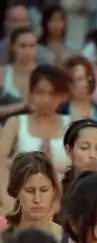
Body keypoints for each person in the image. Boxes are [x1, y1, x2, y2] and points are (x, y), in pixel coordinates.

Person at [0, 64, 71, 209]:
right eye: (40, 92)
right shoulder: (16, 123)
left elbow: (81, 168)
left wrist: (50, 165)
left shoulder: (71, 124)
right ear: (31, 93)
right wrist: (11, 204)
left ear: (62, 96)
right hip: (21, 200)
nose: (46, 99)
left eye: (52, 94)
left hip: (64, 201)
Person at [4, 151, 61, 241]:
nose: (37, 199)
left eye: (44, 190)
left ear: (54, 190)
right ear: (16, 191)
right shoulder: (3, 237)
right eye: (30, 191)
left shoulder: (66, 240)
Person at [0, 26, 37, 121]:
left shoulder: (43, 74)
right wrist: (22, 105)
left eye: (32, 46)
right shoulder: (2, 73)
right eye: (23, 46)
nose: (28, 51)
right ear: (13, 47)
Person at [59, 55, 97, 122]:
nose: (86, 83)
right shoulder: (61, 113)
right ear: (69, 84)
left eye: (88, 76)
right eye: (80, 79)